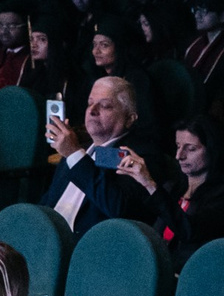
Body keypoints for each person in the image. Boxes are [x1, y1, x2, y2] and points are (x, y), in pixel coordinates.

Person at [132, 112, 224, 270]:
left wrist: (150, 185)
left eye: (190, 149)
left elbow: (191, 232)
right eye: (178, 146)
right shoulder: (173, 188)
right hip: (157, 271)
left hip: (196, 276)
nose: (179, 156)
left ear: (212, 149)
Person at [41, 75, 162, 234]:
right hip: (48, 239)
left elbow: (117, 208)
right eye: (90, 103)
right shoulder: (76, 149)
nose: (92, 111)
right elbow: (48, 202)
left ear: (129, 119)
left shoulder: (140, 156)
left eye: (105, 106)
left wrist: (74, 154)